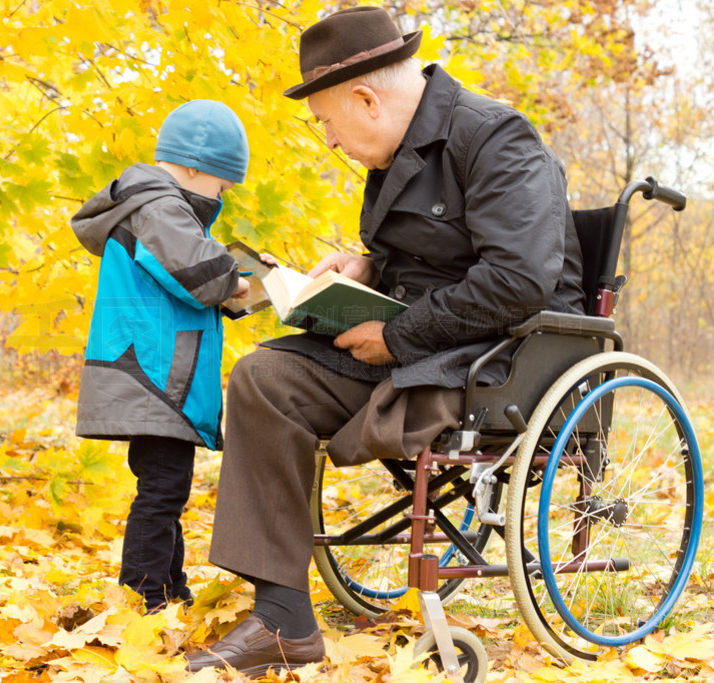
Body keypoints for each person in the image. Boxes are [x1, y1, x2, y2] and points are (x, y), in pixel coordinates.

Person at [185, 6, 585, 676]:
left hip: (500, 362)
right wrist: (365, 267)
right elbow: (420, 261)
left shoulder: (495, 138)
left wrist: (397, 334)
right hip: (422, 344)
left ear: (366, 99)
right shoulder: (395, 156)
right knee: (264, 377)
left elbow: (517, 280)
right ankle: (283, 619)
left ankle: (288, 611)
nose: (330, 141)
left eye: (326, 122)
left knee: (349, 380)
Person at [72, 99, 251, 612]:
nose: (225, 193)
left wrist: (244, 283)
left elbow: (182, 278)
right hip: (153, 376)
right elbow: (202, 275)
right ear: (195, 165)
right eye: (223, 182)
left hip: (156, 374)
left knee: (164, 489)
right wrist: (237, 281)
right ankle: (143, 597)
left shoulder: (158, 208)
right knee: (162, 491)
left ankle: (169, 589)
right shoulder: (158, 206)